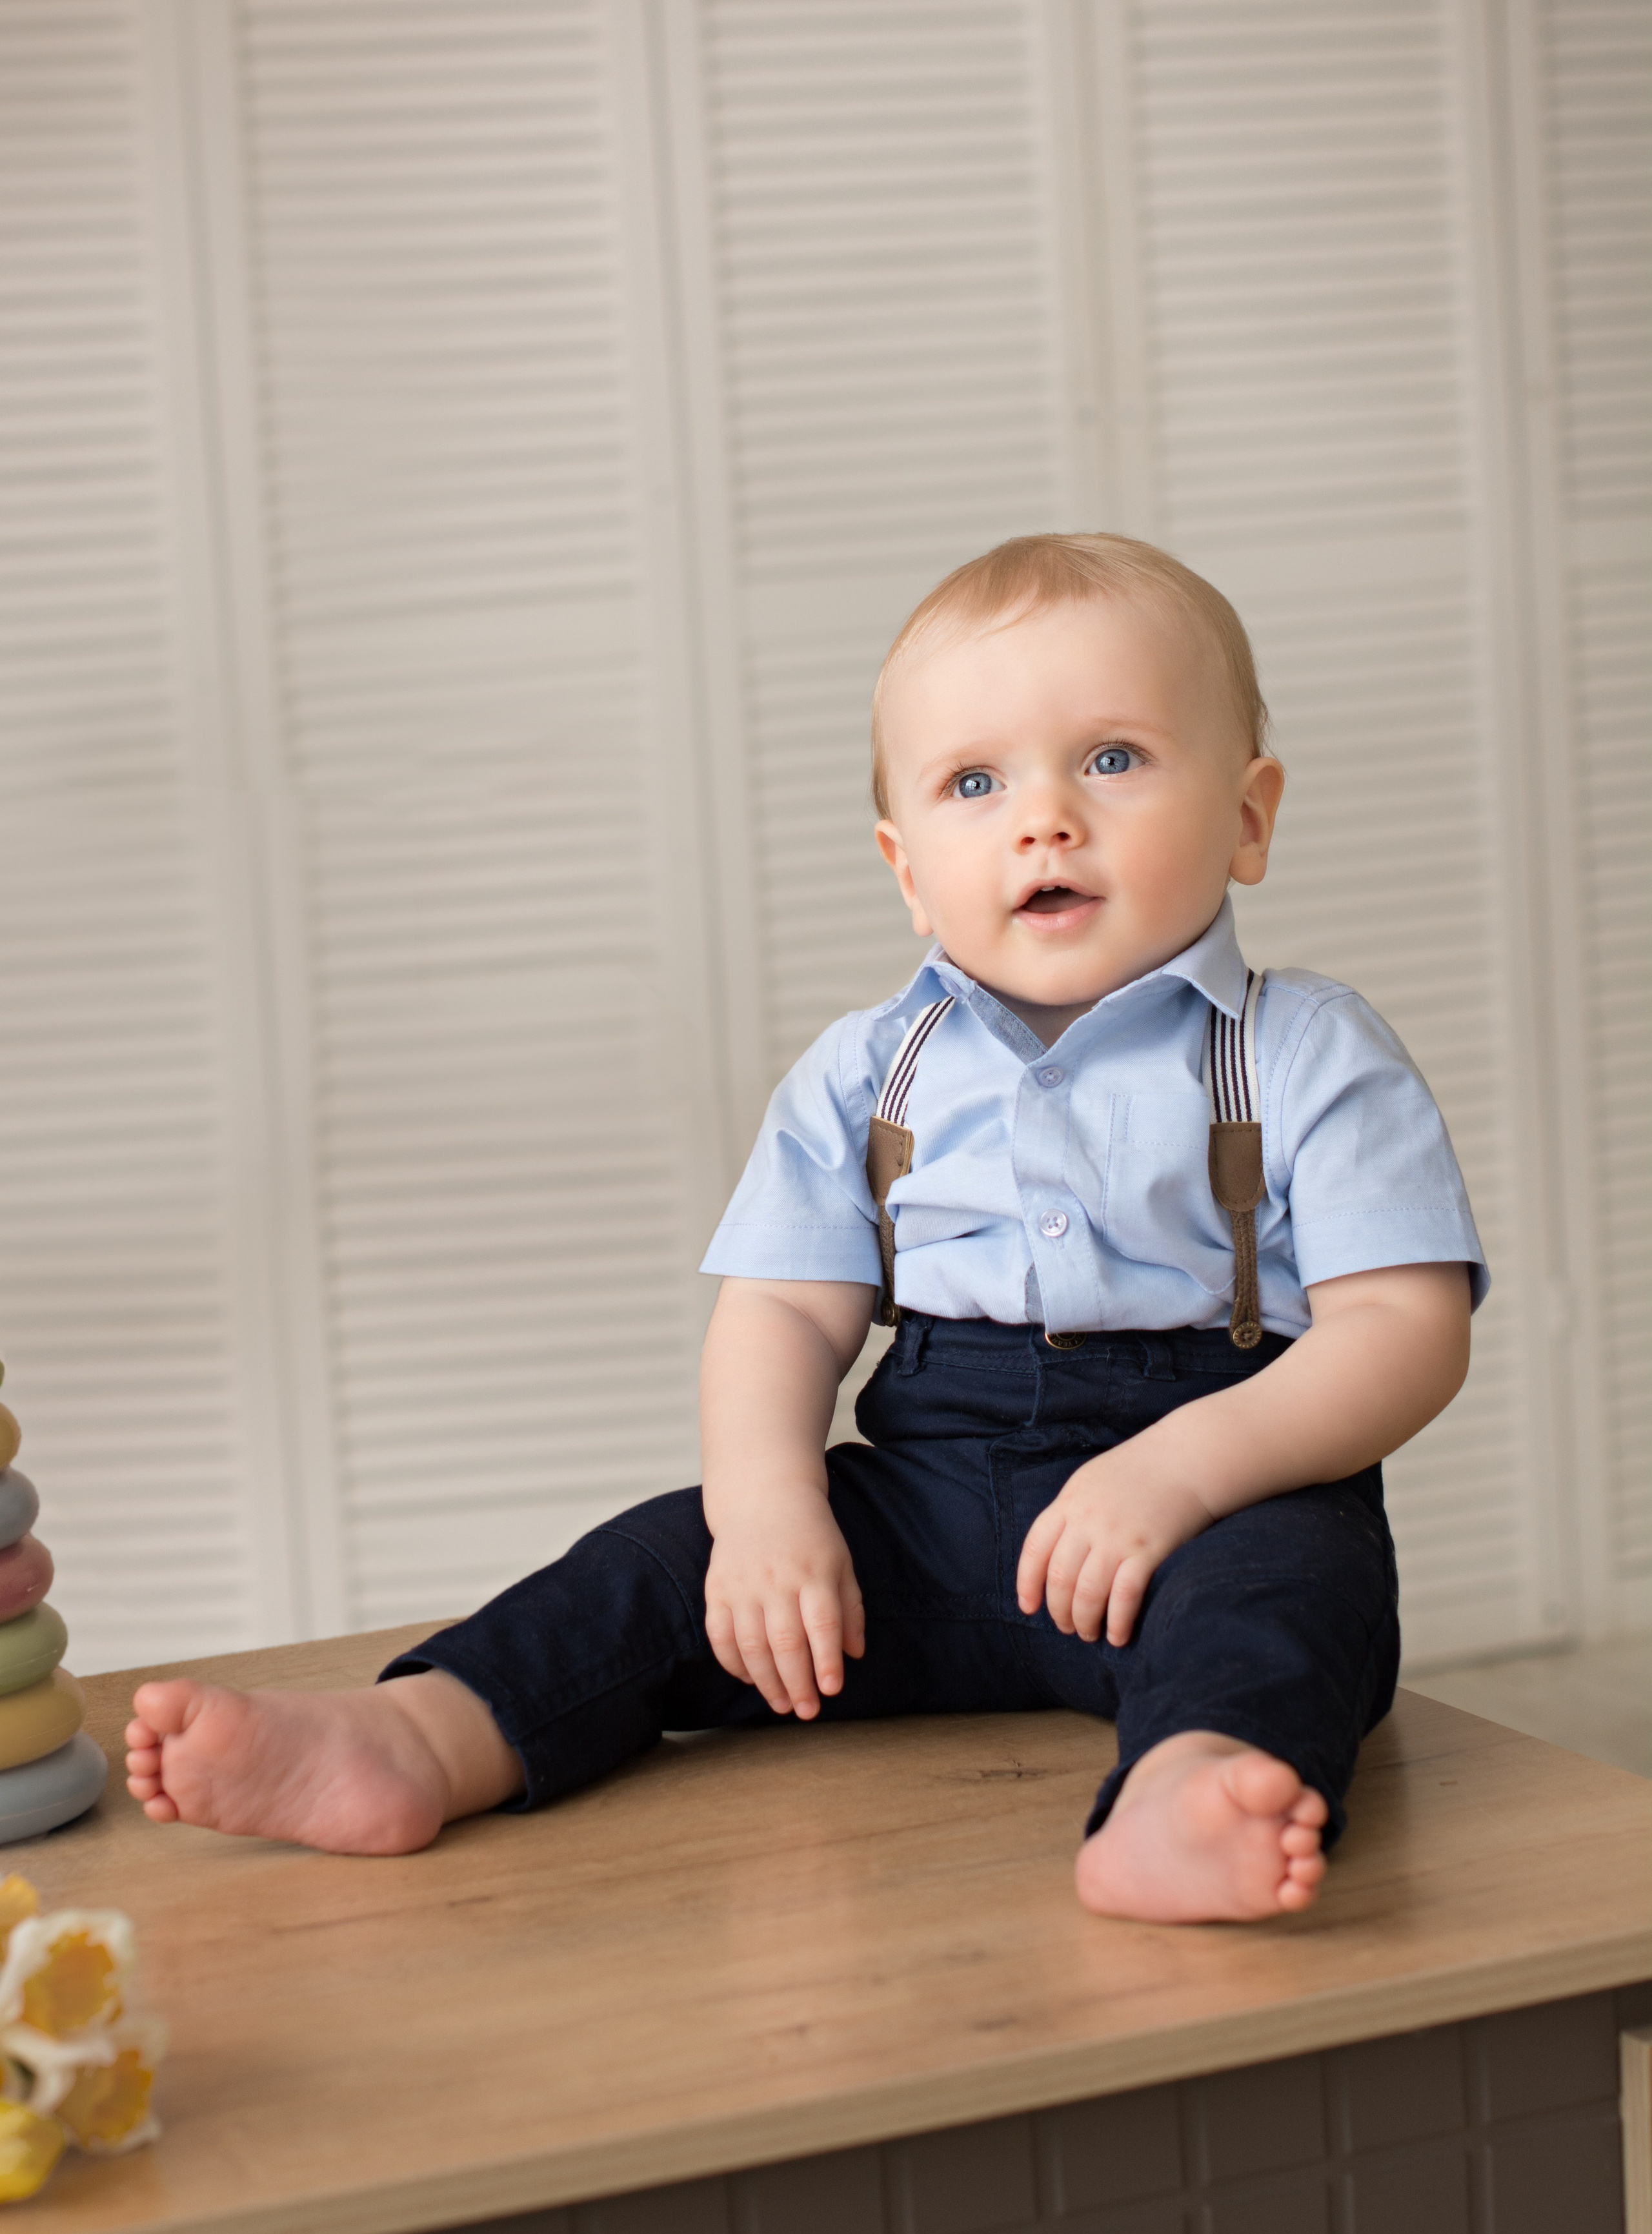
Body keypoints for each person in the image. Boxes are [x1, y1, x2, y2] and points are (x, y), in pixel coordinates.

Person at [124, 534, 1484, 1922]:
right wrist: (768, 1506)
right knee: (660, 1569)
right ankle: (423, 1736)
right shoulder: (866, 1069)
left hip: (1222, 1493)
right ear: (905, 867)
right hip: (930, 1504)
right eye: (974, 781)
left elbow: (1402, 1330)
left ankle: (1184, 1789)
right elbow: (780, 1310)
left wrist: (1183, 1471)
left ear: (1247, 818)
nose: (1044, 819)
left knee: (1289, 1605)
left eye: (1113, 758)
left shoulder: (1305, 1051)